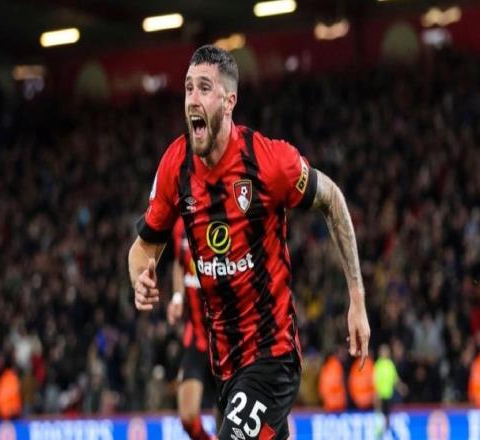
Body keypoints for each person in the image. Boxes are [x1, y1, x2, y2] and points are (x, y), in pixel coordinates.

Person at [129, 45, 370, 439]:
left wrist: (356, 298)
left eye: (204, 88)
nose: (192, 98)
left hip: (272, 355)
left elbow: (333, 199)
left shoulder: (269, 162)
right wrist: (139, 276)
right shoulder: (176, 164)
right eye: (188, 88)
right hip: (224, 364)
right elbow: (143, 248)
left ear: (229, 102)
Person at [168, 217, 216, 440]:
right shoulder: (181, 224)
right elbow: (179, 263)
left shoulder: (226, 218)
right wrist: (177, 297)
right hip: (196, 336)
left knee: (229, 418)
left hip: (227, 339)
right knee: (187, 417)